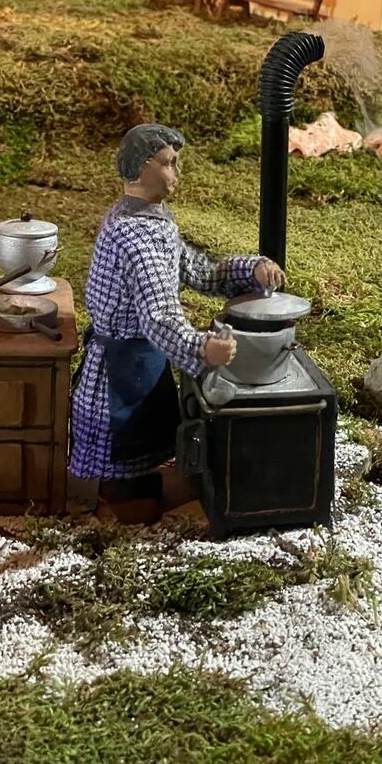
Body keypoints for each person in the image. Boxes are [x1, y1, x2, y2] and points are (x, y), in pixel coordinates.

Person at [69, 123, 286, 523]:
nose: (177, 172)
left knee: (138, 456)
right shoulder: (137, 236)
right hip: (120, 377)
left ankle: (132, 493)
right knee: (125, 465)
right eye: (169, 163)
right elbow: (159, 318)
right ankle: (127, 507)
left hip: (136, 364)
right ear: (142, 166)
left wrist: (250, 269)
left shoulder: (149, 219)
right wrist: (202, 349)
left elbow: (197, 270)